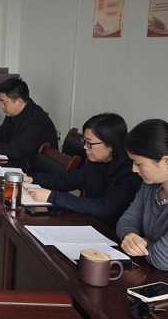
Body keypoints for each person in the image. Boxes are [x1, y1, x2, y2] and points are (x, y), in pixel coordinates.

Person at [25, 113, 141, 225]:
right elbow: (69, 180)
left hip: (111, 232)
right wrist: (32, 179)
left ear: (111, 145)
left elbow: (104, 207)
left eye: (90, 143)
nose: (85, 147)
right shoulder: (97, 163)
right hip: (91, 222)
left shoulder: (131, 172)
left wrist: (52, 196)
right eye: (84, 141)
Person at [117, 119, 168, 270]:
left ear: (165, 161)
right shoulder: (150, 185)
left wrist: (145, 243)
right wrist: (129, 236)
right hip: (150, 273)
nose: (134, 169)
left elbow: (162, 259)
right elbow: (127, 221)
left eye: (138, 164)